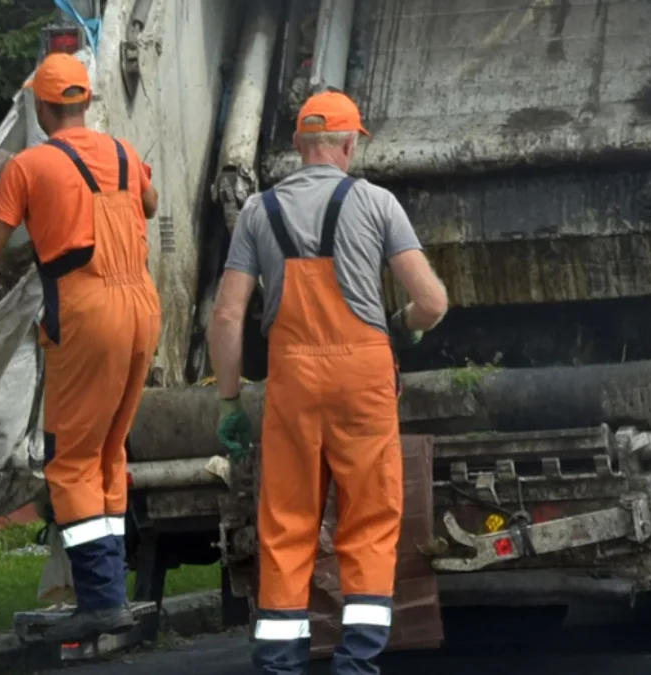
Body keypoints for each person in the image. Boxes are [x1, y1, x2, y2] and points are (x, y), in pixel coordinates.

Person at [208, 90, 448, 675]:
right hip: (363, 377)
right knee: (368, 520)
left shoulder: (259, 212)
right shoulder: (377, 203)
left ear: (297, 145)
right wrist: (403, 328)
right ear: (348, 144)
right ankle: (356, 664)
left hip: (293, 379)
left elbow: (228, 315)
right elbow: (432, 302)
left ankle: (282, 664)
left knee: (287, 524)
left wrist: (230, 400)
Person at [0, 52, 162, 642]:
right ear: (84, 101)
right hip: (142, 309)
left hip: (86, 311)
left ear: (42, 104)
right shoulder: (126, 154)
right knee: (108, 452)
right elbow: (149, 207)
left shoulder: (29, 166)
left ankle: (101, 600)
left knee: (70, 460)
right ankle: (111, 596)